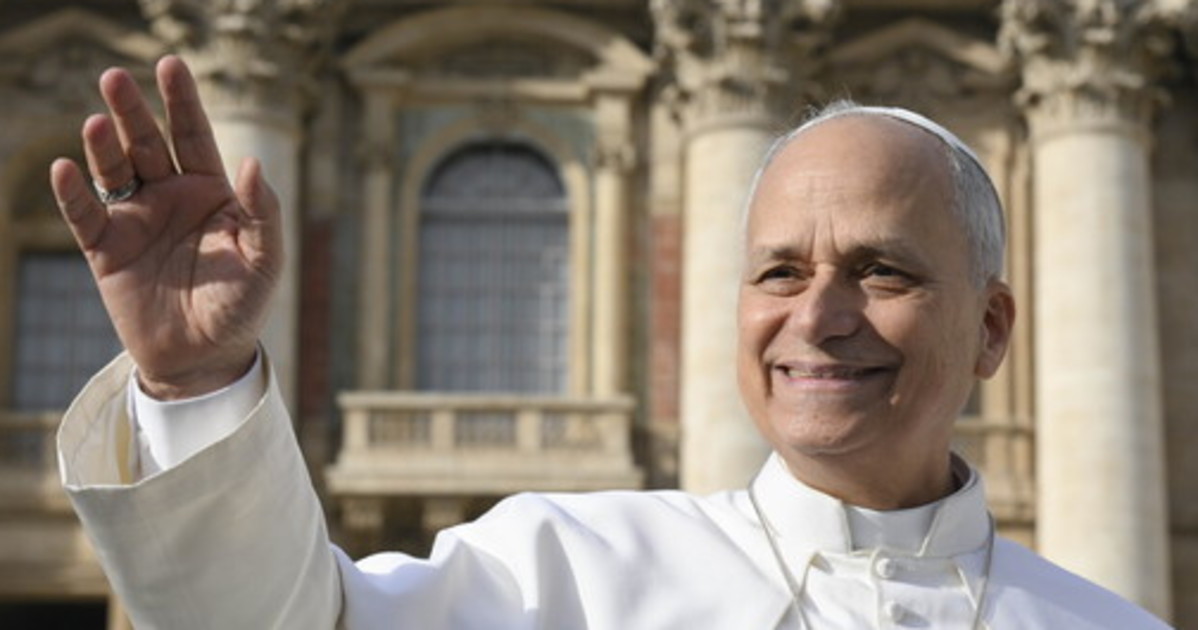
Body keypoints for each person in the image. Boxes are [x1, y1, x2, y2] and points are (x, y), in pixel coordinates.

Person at [50, 56, 1169, 629]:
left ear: (990, 328)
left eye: (881, 270)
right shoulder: (564, 574)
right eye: (779, 272)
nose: (818, 316)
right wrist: (195, 379)